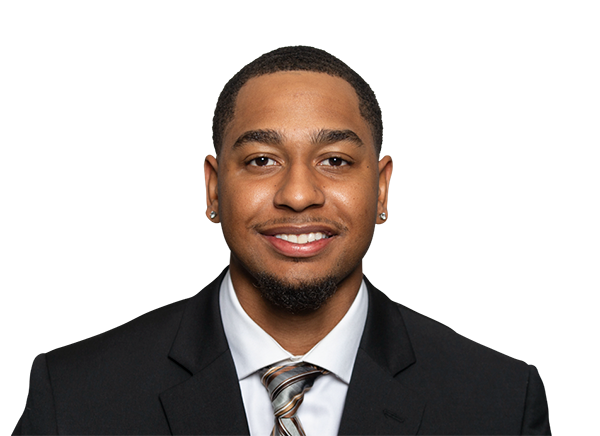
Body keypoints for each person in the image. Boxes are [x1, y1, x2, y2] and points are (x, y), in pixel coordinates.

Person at [13, 46, 551, 436]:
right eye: (261, 160)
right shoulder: (76, 399)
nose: (297, 195)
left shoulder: (498, 403)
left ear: (382, 186)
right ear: (214, 186)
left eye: (334, 160)